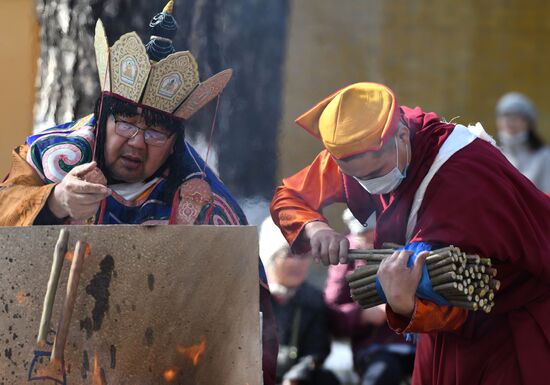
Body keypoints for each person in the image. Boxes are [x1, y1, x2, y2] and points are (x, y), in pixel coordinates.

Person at [0, 2, 277, 384]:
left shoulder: (199, 197)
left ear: (175, 140)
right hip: (40, 350)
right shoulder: (53, 158)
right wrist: (55, 200)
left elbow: (242, 301)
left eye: (155, 132)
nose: (137, 143)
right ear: (103, 117)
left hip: (146, 361)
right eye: (125, 123)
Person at [270, 82, 550, 385]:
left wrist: (404, 303)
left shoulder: (463, 174)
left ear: (403, 136)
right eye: (354, 177)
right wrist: (316, 228)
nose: (366, 185)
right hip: (442, 334)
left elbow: (453, 305)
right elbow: (289, 196)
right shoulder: (358, 152)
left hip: (505, 330)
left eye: (375, 174)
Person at [325, 210, 414, 385]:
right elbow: (332, 312)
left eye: (370, 237)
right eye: (362, 237)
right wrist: (361, 315)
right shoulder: (348, 254)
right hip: (374, 347)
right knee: (381, 372)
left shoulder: (407, 244)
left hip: (416, 342)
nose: (367, 243)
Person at [259, 216, 340, 385]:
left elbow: (317, 349)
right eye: (289, 255)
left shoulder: (313, 299)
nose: (298, 263)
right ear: (271, 257)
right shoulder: (254, 296)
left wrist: (296, 377)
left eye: (303, 255)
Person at [495, 92, 550, 193]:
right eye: (504, 115)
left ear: (528, 122)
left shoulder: (544, 156)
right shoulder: (493, 152)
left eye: (515, 115)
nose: (508, 121)